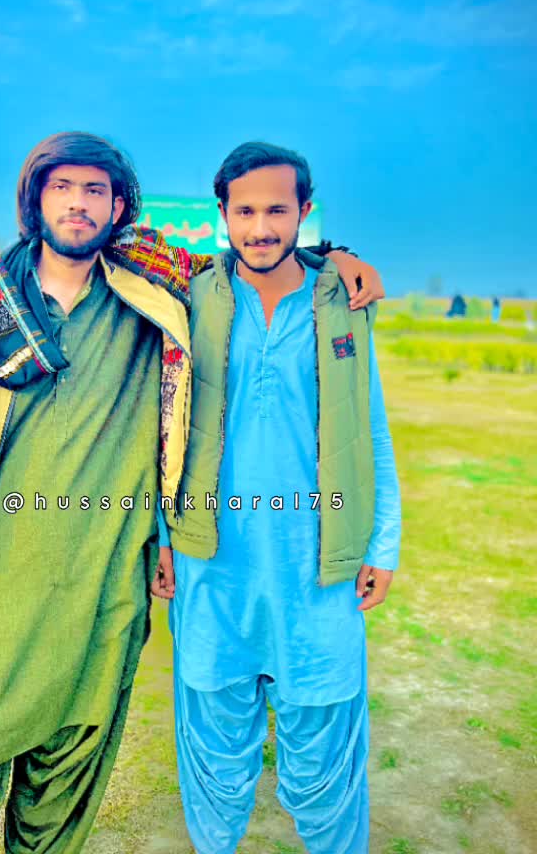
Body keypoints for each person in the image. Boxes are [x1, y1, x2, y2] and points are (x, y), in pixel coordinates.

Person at [0, 132, 383, 854]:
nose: (77, 204)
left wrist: (336, 257)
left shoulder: (149, 286)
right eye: (62, 187)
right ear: (34, 198)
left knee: (72, 760)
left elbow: (257, 257)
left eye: (95, 191)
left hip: (107, 570)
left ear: (118, 206)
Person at [154, 142, 401, 854]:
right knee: (213, 750)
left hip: (317, 567)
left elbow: (370, 429)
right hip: (211, 565)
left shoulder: (343, 301)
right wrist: (163, 540)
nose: (260, 228)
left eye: (277, 210)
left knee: (325, 754)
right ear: (222, 214)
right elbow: (162, 428)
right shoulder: (190, 296)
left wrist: (383, 544)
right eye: (245, 211)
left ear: (304, 212)